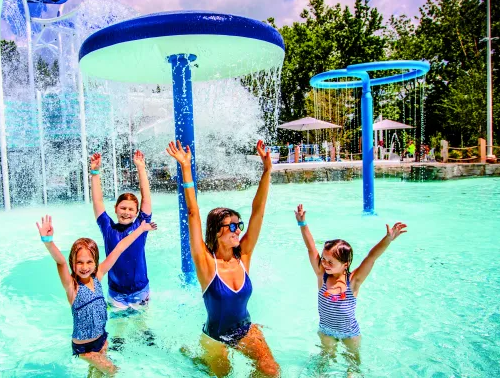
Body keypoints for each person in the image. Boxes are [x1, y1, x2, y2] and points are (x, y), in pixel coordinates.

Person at [167, 139, 280, 377]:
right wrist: (186, 168)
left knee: (271, 371)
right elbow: (193, 213)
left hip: (245, 330)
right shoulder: (206, 264)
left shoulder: (244, 256)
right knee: (223, 374)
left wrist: (267, 170)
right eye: (231, 227)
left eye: (238, 225)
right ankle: (198, 357)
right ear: (216, 232)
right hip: (216, 337)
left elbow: (258, 211)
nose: (238, 230)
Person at [36, 215, 157, 375]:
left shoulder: (98, 276)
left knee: (97, 373)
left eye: (89, 262)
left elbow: (120, 248)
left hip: (101, 340)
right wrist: (48, 241)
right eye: (79, 262)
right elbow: (60, 262)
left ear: (95, 262)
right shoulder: (72, 287)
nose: (84, 267)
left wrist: (140, 229)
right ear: (73, 263)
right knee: (112, 370)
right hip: (84, 348)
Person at [294, 204, 407, 370]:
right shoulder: (322, 276)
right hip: (326, 331)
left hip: (350, 333)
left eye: (330, 262)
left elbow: (371, 257)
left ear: (345, 264)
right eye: (324, 259)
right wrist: (302, 224)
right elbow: (311, 249)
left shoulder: (353, 281)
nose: (324, 263)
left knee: (353, 365)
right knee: (324, 361)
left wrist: (387, 239)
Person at [90, 150, 153, 312]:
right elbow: (97, 201)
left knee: (144, 330)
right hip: (116, 293)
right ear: (116, 209)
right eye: (123, 208)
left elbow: (146, 198)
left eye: (131, 209)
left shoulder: (141, 226)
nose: (126, 212)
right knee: (118, 333)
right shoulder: (108, 228)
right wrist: (95, 173)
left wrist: (141, 168)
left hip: (140, 290)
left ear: (137, 211)